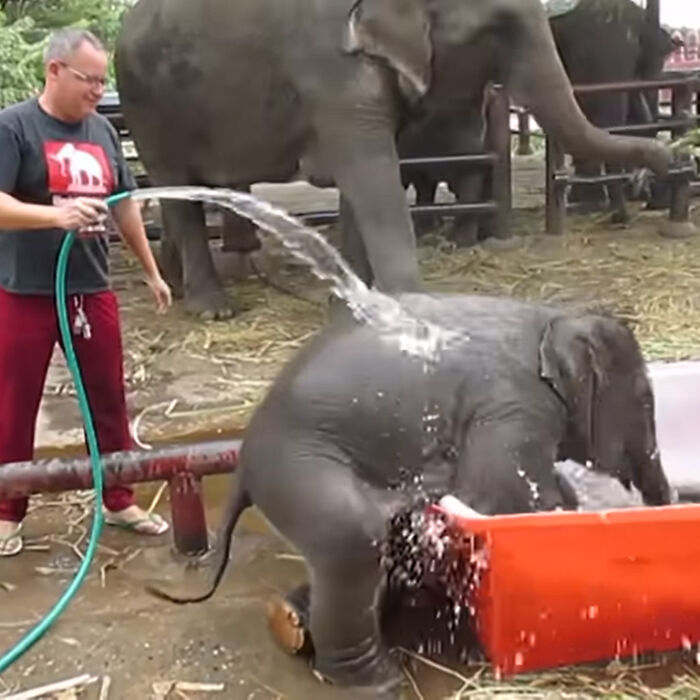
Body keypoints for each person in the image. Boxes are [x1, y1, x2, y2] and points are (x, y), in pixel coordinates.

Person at [0, 27, 174, 556]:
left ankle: (118, 499)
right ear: (54, 70)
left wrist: (151, 269)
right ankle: (7, 510)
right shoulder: (14, 127)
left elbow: (124, 204)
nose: (98, 90)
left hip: (90, 287)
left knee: (108, 397)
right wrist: (55, 215)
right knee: (13, 401)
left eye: (103, 81)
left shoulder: (101, 132)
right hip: (24, 290)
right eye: (88, 79)